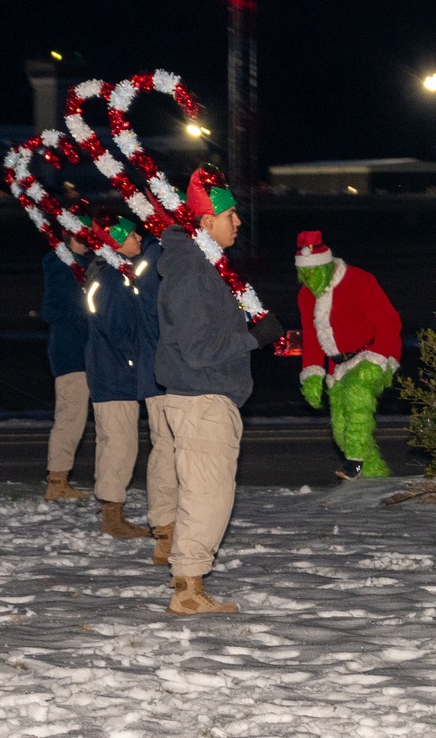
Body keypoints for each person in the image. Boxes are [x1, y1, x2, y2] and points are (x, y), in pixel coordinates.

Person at [155, 165, 283, 614]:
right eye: (231, 216)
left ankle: (188, 583)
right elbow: (198, 348)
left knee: (206, 493)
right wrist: (255, 337)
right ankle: (188, 591)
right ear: (206, 222)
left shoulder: (203, 267)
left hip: (206, 395)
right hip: (202, 395)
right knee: (208, 496)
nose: (239, 222)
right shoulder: (193, 273)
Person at [295, 230, 402, 481]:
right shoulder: (305, 296)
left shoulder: (359, 280)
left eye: (313, 272)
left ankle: (354, 463)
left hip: (373, 353)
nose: (309, 279)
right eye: (304, 274)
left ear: (326, 266)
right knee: (341, 429)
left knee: (357, 396)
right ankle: (374, 477)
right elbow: (312, 338)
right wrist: (312, 375)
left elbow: (390, 322)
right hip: (339, 366)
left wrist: (378, 360)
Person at [83, 207, 152, 538]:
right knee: (120, 445)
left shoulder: (110, 273)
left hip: (109, 372)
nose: (139, 237)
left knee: (112, 442)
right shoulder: (111, 278)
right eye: (133, 234)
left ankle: (111, 512)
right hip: (115, 376)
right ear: (117, 241)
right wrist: (137, 361)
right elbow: (119, 330)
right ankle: (112, 517)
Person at [131, 228, 179, 566]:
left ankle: (169, 526)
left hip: (159, 369)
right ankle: (165, 530)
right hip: (162, 372)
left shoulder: (153, 260)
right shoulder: (158, 262)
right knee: (166, 447)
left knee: (168, 447)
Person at [40, 232, 92, 501]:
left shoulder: (82, 264)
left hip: (84, 353)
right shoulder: (64, 267)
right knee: (70, 417)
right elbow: (54, 310)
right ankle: (57, 482)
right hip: (72, 354)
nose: (90, 240)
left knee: (75, 417)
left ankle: (59, 480)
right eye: (83, 235)